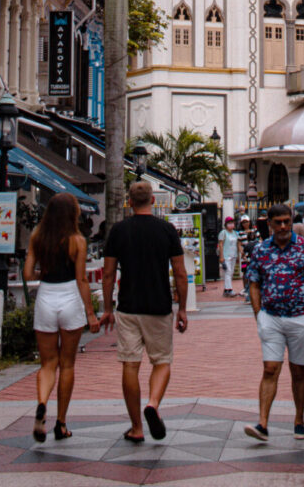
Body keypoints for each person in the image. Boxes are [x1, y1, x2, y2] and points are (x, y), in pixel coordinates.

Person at [101, 180, 187, 444]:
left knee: (130, 363)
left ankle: (136, 427)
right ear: (153, 201)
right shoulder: (167, 230)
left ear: (129, 201)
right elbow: (181, 273)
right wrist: (182, 308)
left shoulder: (118, 230)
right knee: (161, 361)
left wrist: (107, 308)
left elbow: (107, 273)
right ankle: (152, 403)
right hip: (159, 306)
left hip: (128, 305)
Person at [244, 203, 304, 443]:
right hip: (271, 316)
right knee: (270, 368)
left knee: (298, 370)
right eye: (277, 222)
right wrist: (258, 314)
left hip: (299, 316)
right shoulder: (261, 250)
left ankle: (299, 420)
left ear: (291, 222)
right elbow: (254, 283)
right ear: (269, 223)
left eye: (286, 222)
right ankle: (263, 423)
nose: (282, 226)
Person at [23, 192, 100, 442]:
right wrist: (91, 314)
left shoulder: (37, 237)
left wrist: (40, 273)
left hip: (46, 297)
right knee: (67, 364)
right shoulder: (77, 240)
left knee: (47, 364)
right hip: (69, 298)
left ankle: (42, 403)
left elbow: (27, 274)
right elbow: (81, 280)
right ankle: (61, 423)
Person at [238, 215, 259, 302]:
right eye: (244, 222)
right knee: (245, 274)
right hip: (245, 257)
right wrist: (243, 254)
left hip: (254, 257)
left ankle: (252, 291)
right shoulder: (240, 233)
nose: (245, 224)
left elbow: (260, 241)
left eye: (247, 222)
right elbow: (239, 245)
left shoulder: (255, 231)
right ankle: (246, 290)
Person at [217, 216, 239, 297]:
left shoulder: (235, 233)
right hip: (226, 256)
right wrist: (221, 257)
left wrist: (238, 256)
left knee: (231, 272)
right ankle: (229, 289)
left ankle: (226, 289)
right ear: (226, 224)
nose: (231, 225)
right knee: (228, 272)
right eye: (229, 223)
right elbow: (220, 245)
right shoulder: (223, 233)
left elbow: (237, 244)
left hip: (233, 255)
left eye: (232, 223)